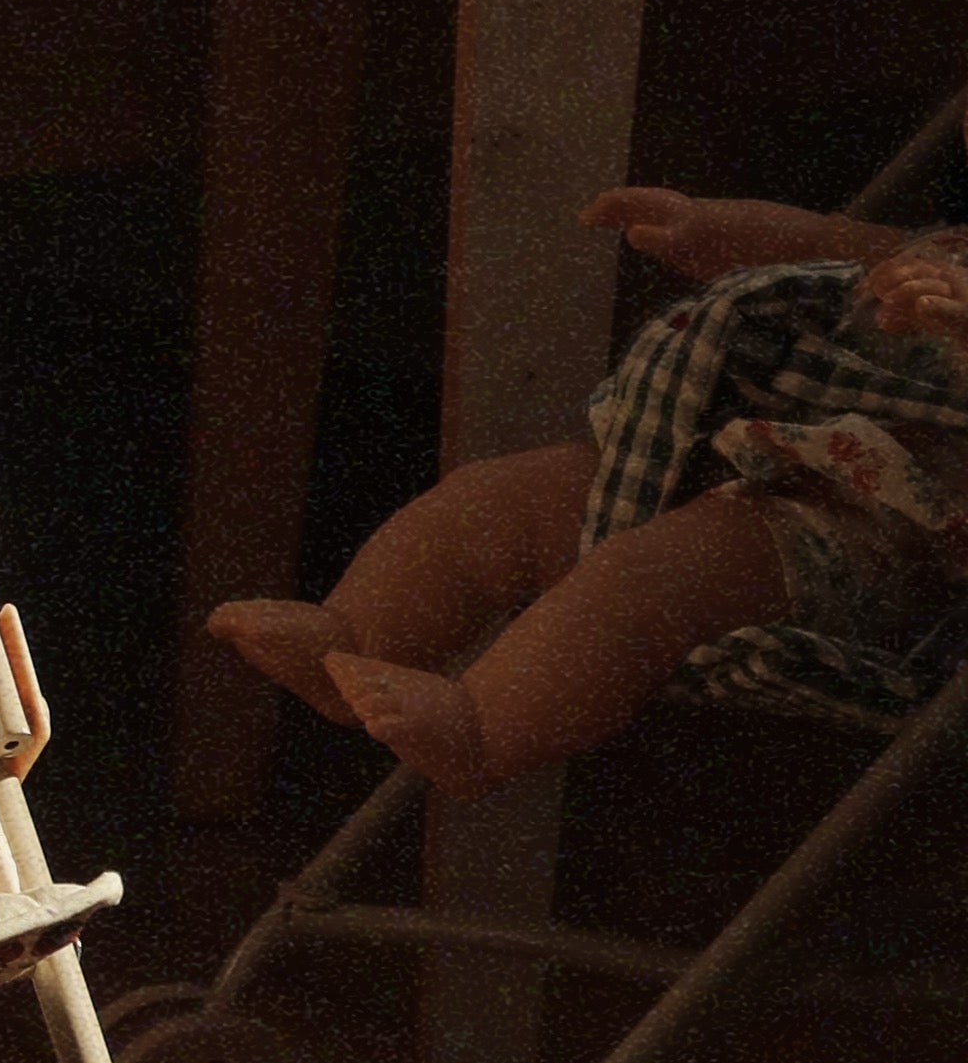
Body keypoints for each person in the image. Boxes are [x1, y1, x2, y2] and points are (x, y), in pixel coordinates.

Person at [210, 183, 968, 800]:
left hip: (882, 548)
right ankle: (353, 633)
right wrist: (708, 227)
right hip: (749, 462)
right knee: (500, 499)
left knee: (644, 576)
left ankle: (482, 731)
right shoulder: (943, 245)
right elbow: (827, 242)